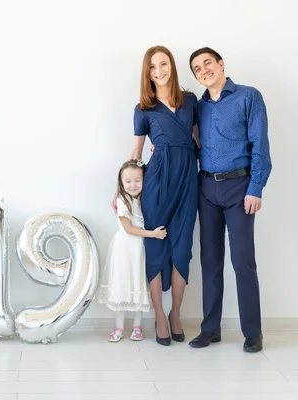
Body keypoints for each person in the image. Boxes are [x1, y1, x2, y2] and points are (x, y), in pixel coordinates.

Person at [113, 45, 199, 346]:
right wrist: (120, 188)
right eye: (153, 67)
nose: (159, 71)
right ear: (146, 73)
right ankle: (159, 316)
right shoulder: (142, 110)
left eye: (164, 64)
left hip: (188, 180)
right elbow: (137, 152)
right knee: (155, 245)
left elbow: (198, 140)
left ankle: (176, 313)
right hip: (158, 181)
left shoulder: (190, 101)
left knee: (183, 247)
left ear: (172, 67)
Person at [188, 47, 272, 353]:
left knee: (242, 261)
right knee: (210, 262)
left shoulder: (249, 96)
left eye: (207, 63)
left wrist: (256, 187)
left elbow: (260, 144)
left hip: (240, 188)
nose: (204, 70)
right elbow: (194, 144)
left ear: (221, 64)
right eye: (197, 68)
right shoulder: (198, 107)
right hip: (206, 188)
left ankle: (252, 331)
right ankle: (210, 329)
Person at [99, 160, 167, 342]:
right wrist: (153, 234)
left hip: (139, 250)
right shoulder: (122, 200)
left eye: (138, 180)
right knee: (122, 286)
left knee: (138, 285)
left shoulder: (145, 199)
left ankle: (137, 327)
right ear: (121, 183)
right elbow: (129, 229)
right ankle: (119, 327)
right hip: (124, 249)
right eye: (128, 181)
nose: (133, 185)